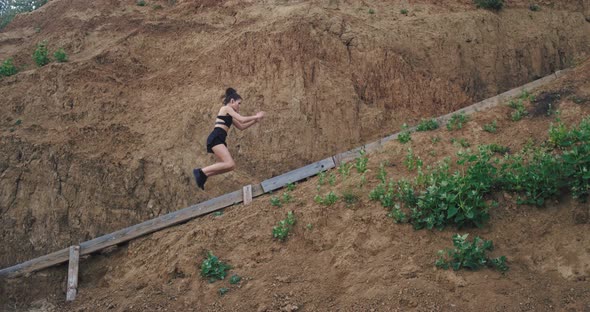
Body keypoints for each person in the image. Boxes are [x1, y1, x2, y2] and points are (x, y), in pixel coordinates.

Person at [193, 88, 265, 190]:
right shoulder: (226, 108)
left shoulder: (229, 114)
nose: (239, 106)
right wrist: (256, 116)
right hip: (216, 138)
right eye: (239, 103)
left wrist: (255, 121)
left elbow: (241, 126)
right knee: (230, 163)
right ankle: (200, 171)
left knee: (230, 166)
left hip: (219, 139)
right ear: (232, 101)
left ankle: (205, 174)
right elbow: (242, 119)